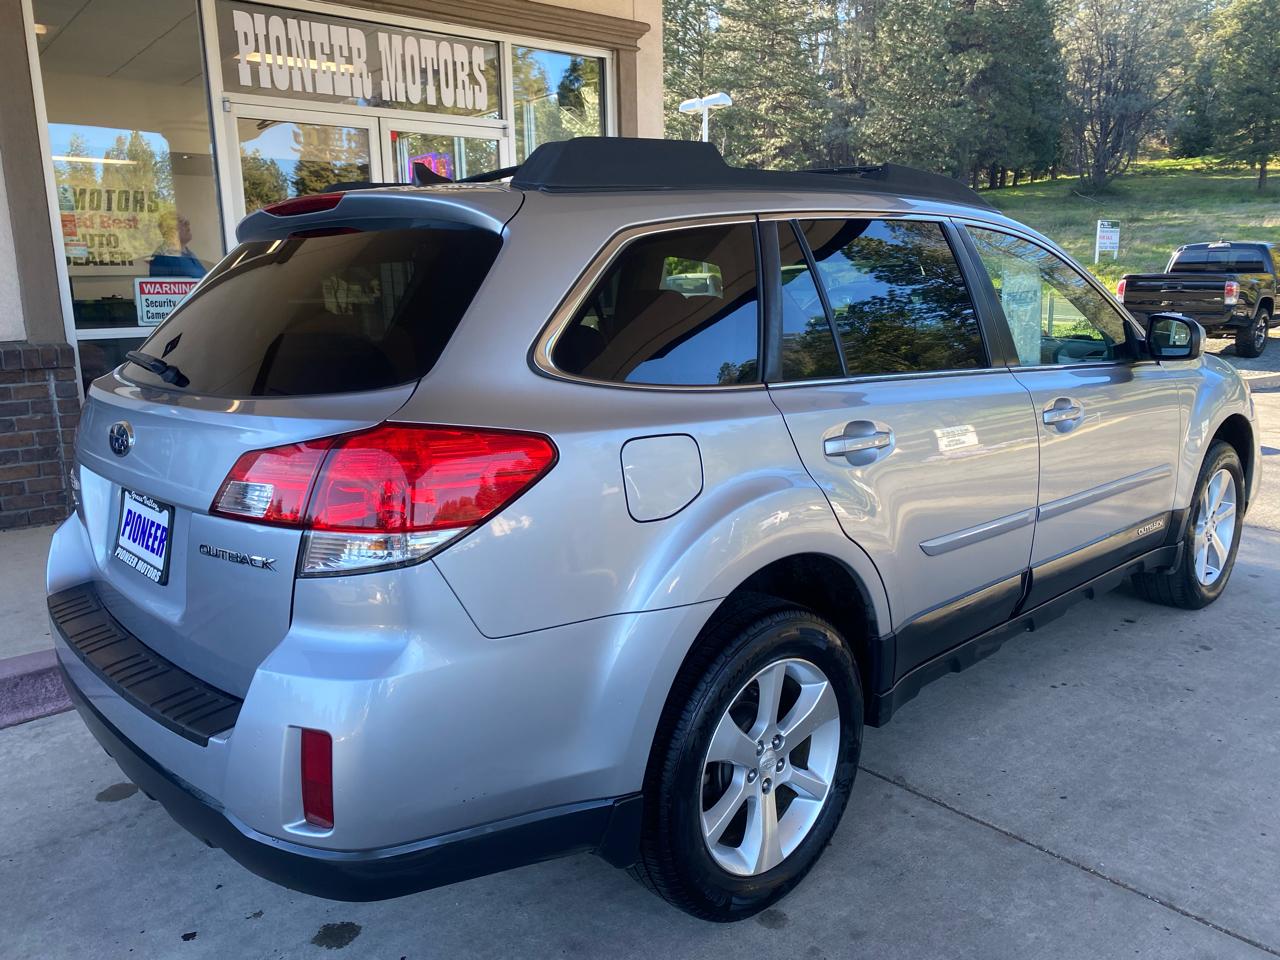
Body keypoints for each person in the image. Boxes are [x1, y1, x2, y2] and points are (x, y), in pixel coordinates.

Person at [149, 210, 207, 278]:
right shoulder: (163, 257)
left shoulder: (190, 254)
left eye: (187, 221)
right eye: (181, 222)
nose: (188, 224)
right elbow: (161, 286)